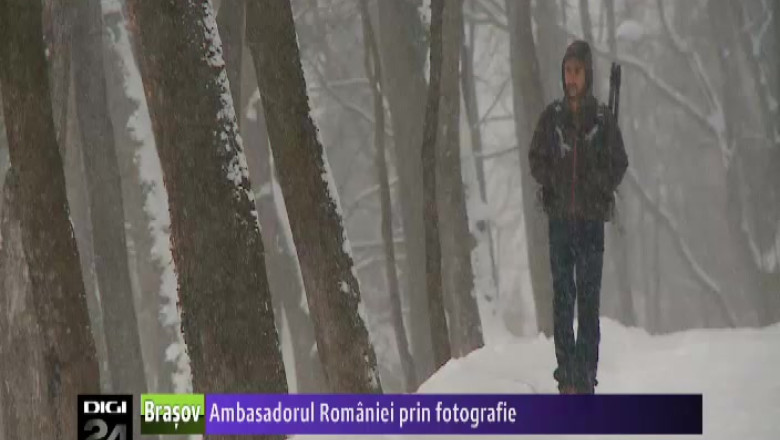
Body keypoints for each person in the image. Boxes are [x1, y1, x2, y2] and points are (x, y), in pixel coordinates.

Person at [528, 40, 628, 394]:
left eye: (578, 71)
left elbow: (619, 163)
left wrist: (599, 184)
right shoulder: (552, 118)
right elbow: (535, 158)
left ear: (587, 74)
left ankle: (586, 377)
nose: (571, 78)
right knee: (562, 299)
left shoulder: (602, 120)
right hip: (559, 223)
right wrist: (552, 179)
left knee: (588, 302)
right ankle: (566, 375)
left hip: (589, 225)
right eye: (567, 71)